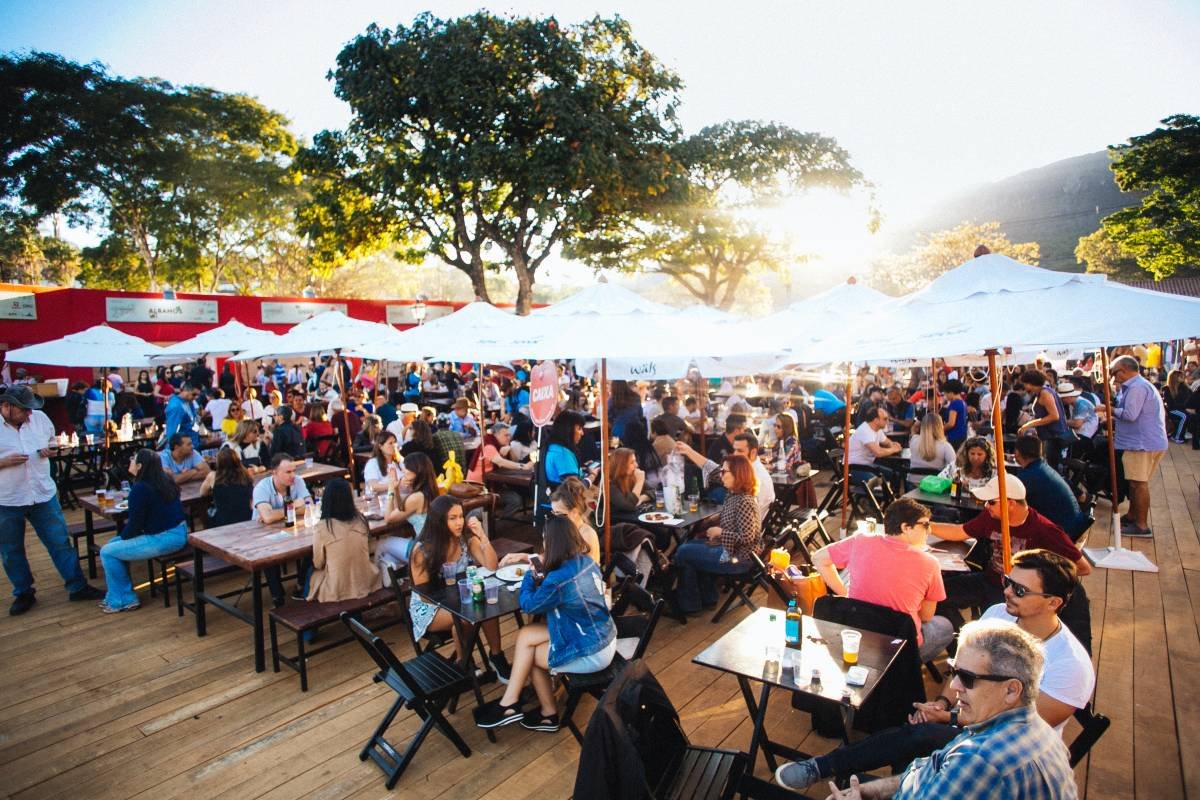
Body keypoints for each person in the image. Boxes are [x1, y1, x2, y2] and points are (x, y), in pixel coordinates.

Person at [778, 613, 1080, 798]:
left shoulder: (981, 761)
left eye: (968, 678)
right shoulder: (1025, 727)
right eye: (954, 671)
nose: (955, 686)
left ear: (1012, 690)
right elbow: (929, 770)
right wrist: (870, 790)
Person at [474, 515, 615, 731]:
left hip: (592, 651)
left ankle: (528, 708)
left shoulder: (558, 579)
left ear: (552, 543)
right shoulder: (585, 561)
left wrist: (531, 575)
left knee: (528, 655)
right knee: (526, 635)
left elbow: (528, 605)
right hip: (601, 634)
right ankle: (520, 706)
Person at [932, 473, 1092, 650]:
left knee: (1000, 639)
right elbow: (959, 532)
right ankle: (963, 645)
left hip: (1019, 594)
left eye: (991, 502)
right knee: (935, 595)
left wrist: (1040, 580)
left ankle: (980, 647)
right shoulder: (990, 517)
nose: (986, 506)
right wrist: (926, 525)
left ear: (1010, 503)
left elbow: (1083, 568)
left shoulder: (1045, 530)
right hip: (991, 581)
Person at [0, 386, 104, 615]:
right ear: (6, 407)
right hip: (7, 498)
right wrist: (4, 462)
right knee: (10, 549)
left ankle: (77, 585)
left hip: (42, 492)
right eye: (24, 410)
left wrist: (53, 449)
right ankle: (23, 592)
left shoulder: (39, 418)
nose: (29, 414)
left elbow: (52, 441)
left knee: (59, 542)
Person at [811, 497, 954, 663]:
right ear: (905, 527)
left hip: (858, 637)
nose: (929, 531)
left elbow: (818, 558)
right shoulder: (930, 563)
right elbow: (926, 616)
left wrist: (845, 593)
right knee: (945, 626)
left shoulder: (860, 541)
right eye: (925, 525)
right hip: (899, 645)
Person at [407, 495, 511, 680]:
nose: (459, 523)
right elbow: (423, 595)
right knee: (467, 615)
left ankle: (496, 656)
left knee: (484, 603)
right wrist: (458, 601)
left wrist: (482, 535)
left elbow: (491, 566)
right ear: (439, 521)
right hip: (429, 608)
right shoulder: (422, 551)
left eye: (461, 516)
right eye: (452, 518)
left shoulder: (466, 541)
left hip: (462, 600)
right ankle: (464, 663)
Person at [98, 449, 188, 613]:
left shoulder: (140, 488)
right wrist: (121, 539)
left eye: (133, 459)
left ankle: (121, 599)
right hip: (179, 532)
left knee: (107, 552)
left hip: (162, 538)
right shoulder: (165, 480)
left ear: (139, 466)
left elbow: (135, 525)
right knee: (113, 545)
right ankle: (120, 595)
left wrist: (123, 538)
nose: (130, 461)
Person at [670, 454, 762, 614]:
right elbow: (735, 518)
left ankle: (690, 605)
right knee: (691, 546)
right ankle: (708, 598)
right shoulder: (735, 495)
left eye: (724, 472)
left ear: (737, 475)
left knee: (684, 552)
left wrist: (720, 532)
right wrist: (716, 518)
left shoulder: (744, 501)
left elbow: (747, 538)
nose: (721, 475)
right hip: (733, 552)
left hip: (739, 559)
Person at [1096, 354, 1168, 538]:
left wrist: (1108, 409)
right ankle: (1133, 516)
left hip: (1141, 444)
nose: (1113, 377)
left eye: (1114, 373)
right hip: (1142, 442)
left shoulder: (1136, 388)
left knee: (1138, 483)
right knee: (1135, 483)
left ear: (1125, 370)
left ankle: (1141, 526)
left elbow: (1130, 415)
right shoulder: (1138, 386)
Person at [307, 478, 381, 602]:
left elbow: (318, 563)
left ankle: (307, 606)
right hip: (365, 581)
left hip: (337, 588)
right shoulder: (361, 520)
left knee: (310, 572)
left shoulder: (322, 527)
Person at [253, 454, 312, 606]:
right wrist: (295, 505)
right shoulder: (262, 487)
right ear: (274, 472)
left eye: (294, 471)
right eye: (288, 472)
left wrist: (276, 514)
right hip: (262, 535)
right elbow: (267, 518)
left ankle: (300, 585)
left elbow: (310, 506)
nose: (293, 475)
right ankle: (277, 596)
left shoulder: (298, 481)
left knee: (314, 545)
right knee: (268, 553)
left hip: (292, 530)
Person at [1011, 437, 1090, 541]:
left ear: (1017, 453)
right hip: (1074, 525)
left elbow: (1012, 503)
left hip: (1063, 534)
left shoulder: (1029, 476)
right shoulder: (1042, 466)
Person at [1017, 369, 1072, 470]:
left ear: (1030, 383)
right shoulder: (1042, 392)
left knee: (1051, 467)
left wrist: (1030, 424)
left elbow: (1054, 416)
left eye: (1025, 383)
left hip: (1053, 437)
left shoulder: (1045, 393)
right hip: (1049, 436)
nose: (1024, 386)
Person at [198, 447, 254, 527]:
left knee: (207, 514)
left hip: (223, 521)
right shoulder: (246, 475)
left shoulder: (213, 476)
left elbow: (202, 493)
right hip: (246, 517)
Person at [550, 476, 601, 563]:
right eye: (553, 512)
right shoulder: (565, 529)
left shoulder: (587, 536)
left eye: (558, 513)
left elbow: (579, 570)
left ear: (574, 512)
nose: (555, 517)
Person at [848, 406, 903, 484]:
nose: (888, 421)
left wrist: (893, 445)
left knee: (895, 475)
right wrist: (894, 449)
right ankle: (882, 495)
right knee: (880, 482)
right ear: (876, 420)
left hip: (867, 466)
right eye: (885, 419)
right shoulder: (865, 430)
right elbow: (878, 453)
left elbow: (887, 442)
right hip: (853, 469)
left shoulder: (877, 429)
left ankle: (891, 495)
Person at [466, 422, 533, 482]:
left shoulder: (500, 444)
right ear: (495, 435)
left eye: (509, 435)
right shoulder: (488, 445)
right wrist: (523, 466)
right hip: (477, 484)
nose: (509, 438)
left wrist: (510, 448)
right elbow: (501, 462)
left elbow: (515, 460)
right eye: (506, 435)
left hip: (491, 479)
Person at [909, 412, 956, 479]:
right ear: (940, 427)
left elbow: (913, 429)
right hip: (935, 486)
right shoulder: (945, 446)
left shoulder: (914, 440)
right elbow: (954, 468)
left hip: (913, 483)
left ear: (922, 427)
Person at [164, 382, 200, 447]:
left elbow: (194, 420)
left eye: (198, 395)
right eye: (194, 394)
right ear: (185, 391)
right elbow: (172, 432)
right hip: (183, 448)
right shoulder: (176, 406)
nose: (196, 397)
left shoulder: (188, 401)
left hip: (192, 444)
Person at [1164, 368, 1193, 443]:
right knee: (1184, 416)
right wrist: (1185, 408)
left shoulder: (1184, 387)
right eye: (1180, 376)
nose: (1183, 378)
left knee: (1188, 414)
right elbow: (1171, 404)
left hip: (1183, 409)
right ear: (1175, 378)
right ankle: (1177, 437)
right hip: (1173, 410)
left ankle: (1185, 433)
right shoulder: (1167, 389)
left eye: (1183, 376)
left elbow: (1191, 397)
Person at [939, 379, 969, 449]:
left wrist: (940, 430)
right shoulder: (962, 402)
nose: (945, 395)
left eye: (946, 393)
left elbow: (951, 423)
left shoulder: (955, 403)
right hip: (961, 434)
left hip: (954, 436)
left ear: (951, 392)